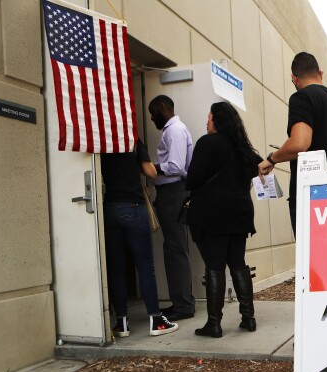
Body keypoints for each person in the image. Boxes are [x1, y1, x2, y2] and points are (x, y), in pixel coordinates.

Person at [186, 102, 263, 338]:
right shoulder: (243, 147)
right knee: (238, 263)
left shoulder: (206, 143)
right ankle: (248, 318)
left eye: (209, 118)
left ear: (217, 120)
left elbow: (193, 180)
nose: (206, 122)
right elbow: (259, 166)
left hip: (211, 214)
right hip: (239, 213)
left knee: (215, 267)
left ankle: (214, 323)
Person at [258, 52, 327, 234]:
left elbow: (299, 143)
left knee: (311, 260)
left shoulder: (301, 97)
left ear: (294, 78)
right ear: (321, 73)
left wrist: (272, 159)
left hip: (311, 198)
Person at [101, 139, 178, 337]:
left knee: (116, 267)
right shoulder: (131, 138)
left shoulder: (101, 137)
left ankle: (122, 323)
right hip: (133, 206)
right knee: (145, 265)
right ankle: (156, 319)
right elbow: (150, 172)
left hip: (110, 207)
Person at [148, 95, 195, 322]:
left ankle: (183, 306)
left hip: (174, 193)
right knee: (175, 249)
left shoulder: (174, 130)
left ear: (163, 107)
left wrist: (150, 168)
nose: (151, 117)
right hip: (173, 193)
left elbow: (175, 167)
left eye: (153, 111)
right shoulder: (174, 129)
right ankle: (182, 302)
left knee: (176, 250)